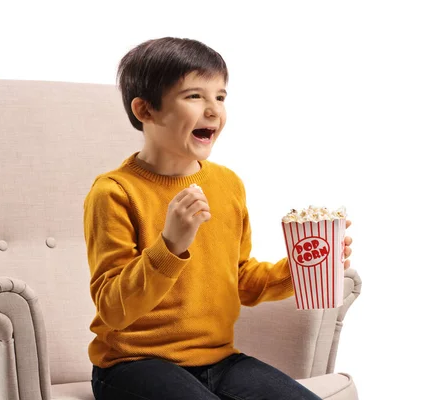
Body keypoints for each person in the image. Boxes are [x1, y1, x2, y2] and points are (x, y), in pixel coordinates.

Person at [83, 37, 353, 400]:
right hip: (132, 363)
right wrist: (170, 246)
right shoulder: (114, 192)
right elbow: (113, 309)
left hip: (220, 360)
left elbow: (240, 278)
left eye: (221, 97)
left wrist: (302, 267)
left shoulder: (227, 184)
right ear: (146, 110)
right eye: (194, 96)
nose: (213, 110)